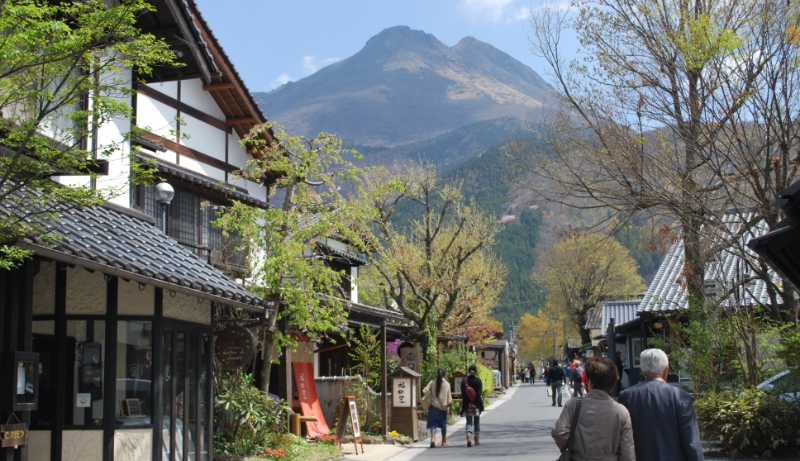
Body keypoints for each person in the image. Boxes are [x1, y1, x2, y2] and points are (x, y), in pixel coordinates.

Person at [618, 349, 704, 461]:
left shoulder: (626, 396)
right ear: (666, 370)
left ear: (641, 371)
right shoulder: (681, 396)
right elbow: (691, 441)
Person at [551, 357, 635, 461]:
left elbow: (558, 432)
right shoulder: (621, 411)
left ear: (589, 382)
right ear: (612, 383)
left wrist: (570, 447)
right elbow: (628, 451)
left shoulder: (573, 405)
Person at [423, 368, 452, 448]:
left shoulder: (432, 383)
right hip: (443, 408)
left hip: (433, 407)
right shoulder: (447, 384)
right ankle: (444, 440)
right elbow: (449, 399)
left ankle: (432, 438)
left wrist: (430, 394)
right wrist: (451, 409)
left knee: (433, 424)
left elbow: (424, 391)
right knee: (443, 424)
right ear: (445, 375)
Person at [460, 364, 484, 447]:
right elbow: (479, 394)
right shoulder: (478, 381)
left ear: (469, 371)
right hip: (476, 406)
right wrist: (475, 404)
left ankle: (469, 437)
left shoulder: (464, 381)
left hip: (467, 405)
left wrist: (468, 403)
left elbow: (463, 394)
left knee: (469, 422)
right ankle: (476, 440)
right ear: (476, 371)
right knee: (477, 421)